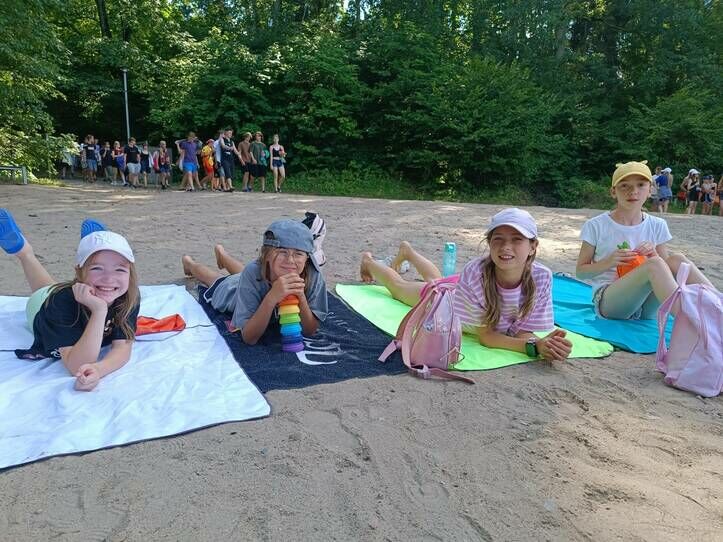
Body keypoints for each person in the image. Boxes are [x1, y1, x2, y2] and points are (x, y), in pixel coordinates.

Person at [358, 208, 572, 361]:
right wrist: (534, 346)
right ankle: (369, 262)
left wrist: (546, 344)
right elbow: (488, 337)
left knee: (435, 279)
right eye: (498, 239)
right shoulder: (476, 272)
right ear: (489, 243)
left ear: (533, 246)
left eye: (517, 239)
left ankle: (408, 253)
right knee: (399, 288)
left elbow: (522, 331)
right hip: (447, 299)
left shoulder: (541, 277)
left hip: (462, 287)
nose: (506, 246)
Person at [0, 210, 140, 391]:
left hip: (72, 291)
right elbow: (77, 365)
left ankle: (92, 249)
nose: (109, 278)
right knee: (46, 292)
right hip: (40, 306)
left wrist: (99, 369)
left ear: (130, 274)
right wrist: (99, 311)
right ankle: (24, 252)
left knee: (53, 288)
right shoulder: (60, 302)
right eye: (97, 268)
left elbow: (122, 348)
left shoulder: (128, 296)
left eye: (119, 270)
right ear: (79, 273)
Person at [576, 161, 714, 321]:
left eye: (641, 185)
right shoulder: (596, 225)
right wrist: (609, 262)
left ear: (650, 190)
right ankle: (692, 322)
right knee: (653, 265)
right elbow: (581, 272)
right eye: (624, 186)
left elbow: (667, 268)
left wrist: (653, 254)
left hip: (646, 305)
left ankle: (717, 308)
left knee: (677, 260)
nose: (633, 191)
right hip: (611, 303)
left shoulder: (657, 225)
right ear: (613, 192)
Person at [181, 219, 328, 345]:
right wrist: (272, 297)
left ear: (307, 258)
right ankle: (190, 263)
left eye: (298, 253)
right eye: (282, 252)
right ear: (266, 255)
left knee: (247, 274)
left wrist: (301, 297)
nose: (290, 260)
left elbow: (310, 331)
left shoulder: (312, 274)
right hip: (234, 290)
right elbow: (249, 338)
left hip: (255, 277)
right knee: (216, 279)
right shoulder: (253, 272)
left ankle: (223, 256)